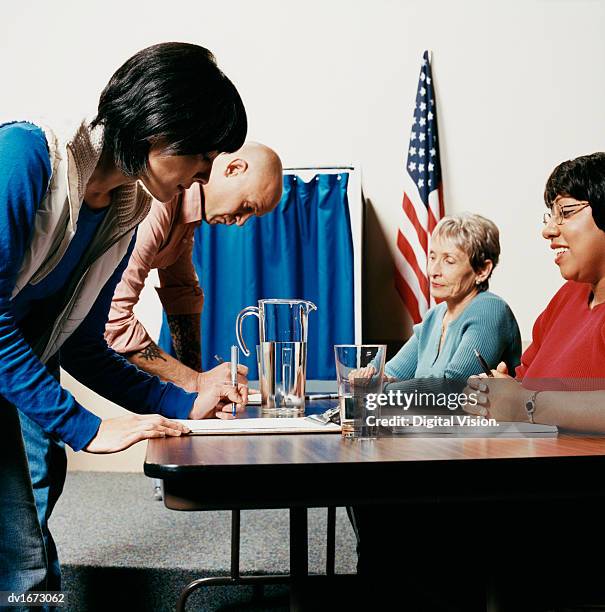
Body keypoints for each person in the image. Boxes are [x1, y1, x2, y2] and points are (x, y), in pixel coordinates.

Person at [0, 42, 248, 601]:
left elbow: (85, 345)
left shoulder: (125, 209)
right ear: (160, 131)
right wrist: (87, 427)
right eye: (203, 156)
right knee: (21, 567)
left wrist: (184, 404)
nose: (207, 173)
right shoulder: (26, 158)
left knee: (26, 569)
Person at [105, 142, 283, 391]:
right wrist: (196, 382)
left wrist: (201, 383)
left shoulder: (187, 216)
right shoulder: (160, 201)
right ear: (233, 169)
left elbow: (182, 295)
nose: (241, 222)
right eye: (247, 207)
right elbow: (114, 322)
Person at [464, 153, 605, 429]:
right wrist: (501, 391)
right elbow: (526, 386)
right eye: (550, 216)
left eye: (565, 212)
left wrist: (523, 404)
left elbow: (527, 401)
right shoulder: (567, 297)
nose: (548, 230)